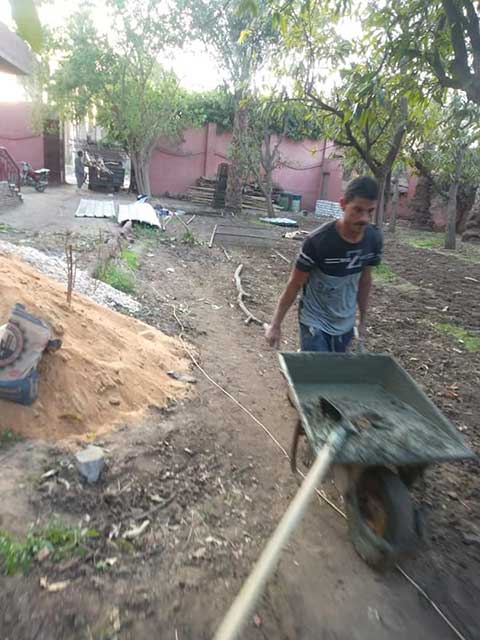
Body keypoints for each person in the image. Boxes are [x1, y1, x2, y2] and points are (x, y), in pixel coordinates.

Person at [265, 176, 383, 353]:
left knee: (333, 372)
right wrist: (276, 325)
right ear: (343, 204)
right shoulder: (317, 241)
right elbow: (295, 283)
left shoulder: (373, 239)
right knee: (317, 373)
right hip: (314, 320)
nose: (364, 218)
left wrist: (363, 320)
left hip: (345, 322)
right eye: (357, 210)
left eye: (370, 212)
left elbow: (365, 281)